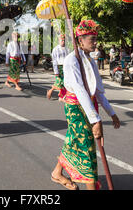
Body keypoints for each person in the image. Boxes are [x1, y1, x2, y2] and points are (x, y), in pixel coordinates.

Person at [51, 20, 120, 190]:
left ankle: (57, 173)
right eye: (92, 39)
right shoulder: (71, 60)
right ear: (80, 40)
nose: (96, 43)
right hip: (75, 107)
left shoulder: (89, 60)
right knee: (86, 145)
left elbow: (97, 90)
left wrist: (111, 113)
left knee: (74, 140)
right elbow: (80, 90)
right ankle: (90, 185)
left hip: (87, 104)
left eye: (96, 39)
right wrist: (96, 119)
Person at [47, 35, 68, 101]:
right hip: (59, 67)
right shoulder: (56, 49)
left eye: (64, 40)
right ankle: (51, 90)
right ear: (59, 41)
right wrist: (56, 71)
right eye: (62, 40)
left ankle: (61, 97)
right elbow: (55, 61)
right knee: (59, 82)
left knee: (65, 83)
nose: (63, 41)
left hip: (65, 67)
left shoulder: (67, 49)